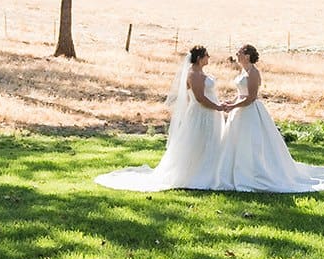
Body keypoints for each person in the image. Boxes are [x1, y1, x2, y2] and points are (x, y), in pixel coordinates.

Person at [214, 44, 324, 192]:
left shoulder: (253, 72)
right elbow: (241, 94)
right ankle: (235, 172)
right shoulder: (243, 72)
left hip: (250, 112)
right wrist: (232, 102)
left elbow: (251, 97)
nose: (237, 55)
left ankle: (254, 172)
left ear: (247, 56)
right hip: (240, 111)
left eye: (240, 53)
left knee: (252, 142)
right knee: (236, 141)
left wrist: (234, 106)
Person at [94, 45, 228, 191]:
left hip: (209, 113)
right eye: (207, 55)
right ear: (199, 58)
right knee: (198, 142)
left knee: (208, 141)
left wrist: (218, 105)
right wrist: (218, 107)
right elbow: (200, 98)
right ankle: (196, 174)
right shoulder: (193, 75)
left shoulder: (200, 73)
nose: (209, 58)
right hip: (201, 113)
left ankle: (210, 171)